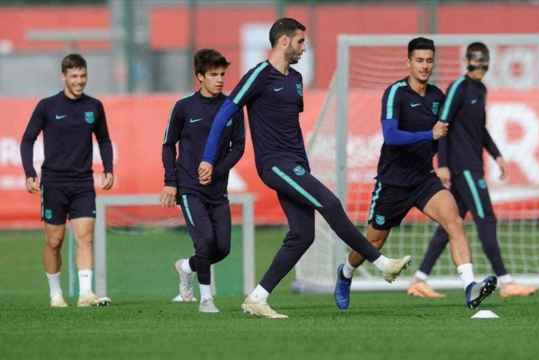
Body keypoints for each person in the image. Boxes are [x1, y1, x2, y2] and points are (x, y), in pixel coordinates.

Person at [199, 18, 411, 319]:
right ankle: (381, 264)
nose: (304, 47)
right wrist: (208, 158)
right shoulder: (259, 74)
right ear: (284, 42)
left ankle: (257, 297)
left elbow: (293, 128)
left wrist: (304, 166)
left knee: (303, 235)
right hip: (274, 164)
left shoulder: (295, 79)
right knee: (330, 203)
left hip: (295, 164)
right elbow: (224, 115)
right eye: (300, 42)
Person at [334, 38, 498, 310]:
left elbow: (448, 132)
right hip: (393, 182)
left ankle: (470, 287)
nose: (425, 66)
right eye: (419, 60)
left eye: (429, 60)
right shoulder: (395, 93)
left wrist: (449, 159)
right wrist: (428, 134)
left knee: (454, 221)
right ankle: (346, 273)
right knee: (373, 241)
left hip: (424, 179)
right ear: (408, 62)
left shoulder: (437, 96)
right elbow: (390, 135)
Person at [416, 42, 539, 299]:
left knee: (450, 225)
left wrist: (498, 156)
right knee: (486, 218)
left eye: (484, 62)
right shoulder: (458, 88)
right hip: (464, 169)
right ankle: (506, 282)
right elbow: (443, 126)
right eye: (475, 61)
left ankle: (420, 279)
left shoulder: (481, 89)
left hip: (474, 165)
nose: (480, 67)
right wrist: (444, 165)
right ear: (467, 61)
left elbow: (480, 130)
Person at [20, 54, 114, 307]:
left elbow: (104, 139)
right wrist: (30, 172)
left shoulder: (94, 106)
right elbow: (27, 139)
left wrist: (108, 168)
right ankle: (55, 293)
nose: (79, 81)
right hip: (54, 183)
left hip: (83, 183)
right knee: (54, 241)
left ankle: (85, 294)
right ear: (63, 77)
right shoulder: (47, 106)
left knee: (85, 237)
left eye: (83, 76)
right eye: (74, 76)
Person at [161, 49, 244, 313]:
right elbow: (167, 145)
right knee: (205, 242)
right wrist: (170, 181)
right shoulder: (184, 107)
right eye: (213, 74)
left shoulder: (231, 107)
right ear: (199, 76)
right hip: (189, 188)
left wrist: (218, 170)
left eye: (222, 74)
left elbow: (239, 146)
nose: (219, 79)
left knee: (223, 249)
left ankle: (186, 267)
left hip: (218, 191)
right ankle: (206, 299)